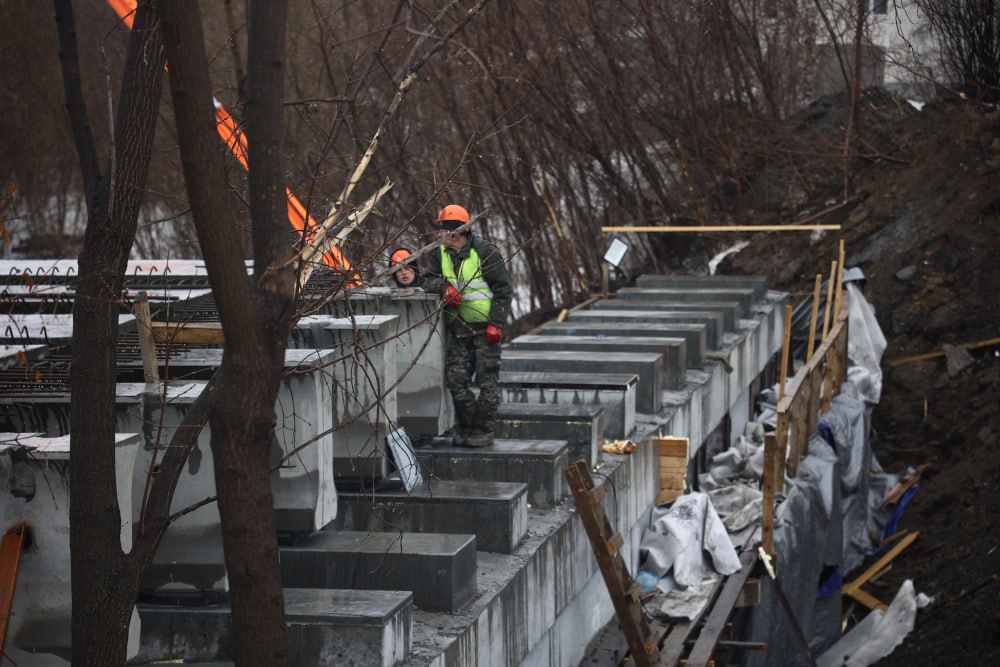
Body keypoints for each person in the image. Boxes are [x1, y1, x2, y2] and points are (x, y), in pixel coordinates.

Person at [423, 204, 513, 447]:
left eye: (442, 229)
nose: (438, 234)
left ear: (455, 232)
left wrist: (496, 323)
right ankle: (468, 427)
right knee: (456, 381)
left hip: (485, 331)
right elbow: (427, 279)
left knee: (487, 382)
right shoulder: (439, 254)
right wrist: (444, 290)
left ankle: (483, 431)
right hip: (459, 329)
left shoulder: (485, 252)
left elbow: (504, 290)